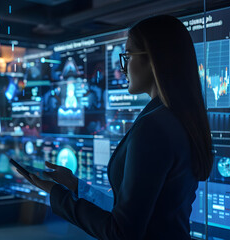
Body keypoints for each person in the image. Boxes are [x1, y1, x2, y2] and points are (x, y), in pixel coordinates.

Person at [19, 15, 213, 240]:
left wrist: (57, 195)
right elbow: (136, 212)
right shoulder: (174, 117)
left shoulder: (154, 128)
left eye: (128, 56)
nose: (123, 67)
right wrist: (76, 187)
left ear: (154, 60)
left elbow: (121, 232)